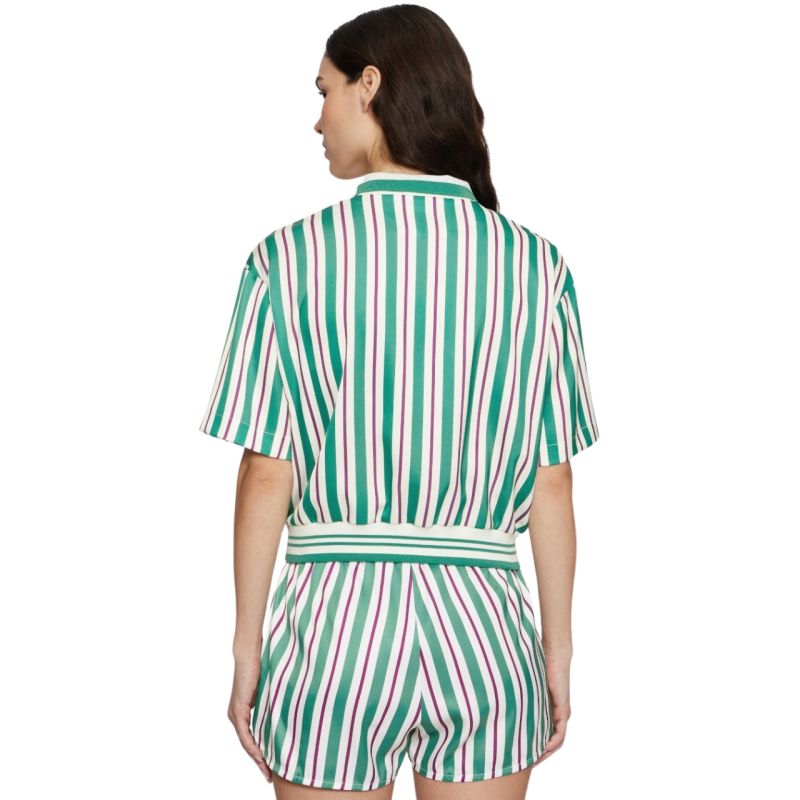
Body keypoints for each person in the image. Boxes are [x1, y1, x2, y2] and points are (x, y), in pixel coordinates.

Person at [198, 5, 600, 798]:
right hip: (485, 628)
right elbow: (551, 481)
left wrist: (247, 648)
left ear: (369, 85)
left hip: (333, 629)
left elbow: (267, 472)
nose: (317, 120)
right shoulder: (539, 268)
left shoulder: (286, 259)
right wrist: (557, 650)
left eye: (324, 91)